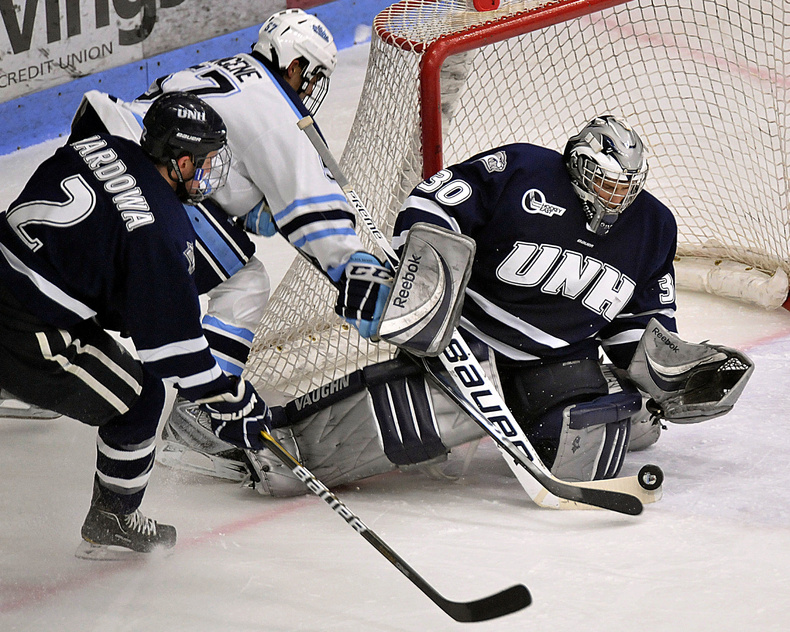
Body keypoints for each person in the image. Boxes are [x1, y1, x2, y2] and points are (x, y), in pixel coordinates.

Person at [228, 115, 752, 496]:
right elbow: (435, 200)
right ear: (577, 165)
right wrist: (425, 274)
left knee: (594, 444)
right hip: (469, 333)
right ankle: (284, 439)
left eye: (624, 188)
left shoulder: (653, 226)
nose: (614, 198)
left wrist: (668, 370)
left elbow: (638, 320)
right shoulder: (523, 169)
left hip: (559, 358)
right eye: (604, 183)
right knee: (432, 416)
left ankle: (585, 404)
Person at [58, 8, 392, 474]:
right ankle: (200, 414)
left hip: (97, 149)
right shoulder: (274, 106)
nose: (310, 88)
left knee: (73, 266)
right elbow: (311, 205)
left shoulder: (225, 70)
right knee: (245, 280)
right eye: (311, 75)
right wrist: (353, 264)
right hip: (139, 185)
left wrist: (251, 206)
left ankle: (37, 347)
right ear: (294, 66)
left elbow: (204, 163)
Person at [0, 92, 274, 558]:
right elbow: (175, 355)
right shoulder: (162, 231)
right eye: (204, 162)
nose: (209, 172)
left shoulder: (101, 145)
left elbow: (98, 249)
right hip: (27, 327)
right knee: (141, 400)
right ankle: (114, 516)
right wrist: (233, 401)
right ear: (181, 162)